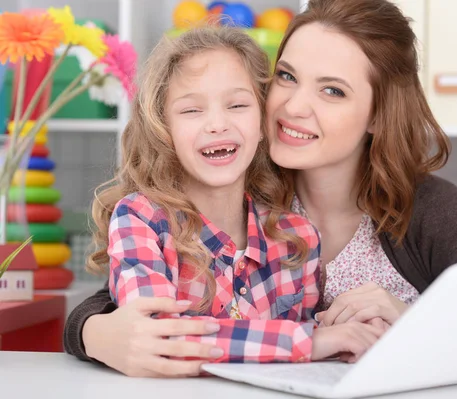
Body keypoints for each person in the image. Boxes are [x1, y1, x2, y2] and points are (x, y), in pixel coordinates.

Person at [63, 0, 457, 377]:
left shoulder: (431, 210)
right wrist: (91, 333)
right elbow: (122, 311)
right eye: (288, 77)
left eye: (332, 91)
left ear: (377, 115)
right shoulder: (243, 188)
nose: (294, 106)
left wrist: (414, 322)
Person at [72, 25, 384, 375]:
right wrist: (308, 341)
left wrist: (355, 334)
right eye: (191, 111)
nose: (217, 124)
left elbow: (308, 367)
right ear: (163, 127)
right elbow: (159, 340)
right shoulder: (141, 220)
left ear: (264, 120)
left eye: (237, 105)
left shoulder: (297, 238)